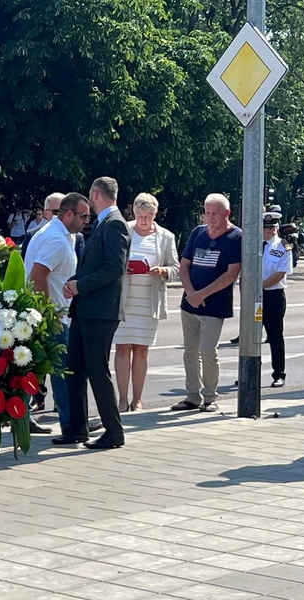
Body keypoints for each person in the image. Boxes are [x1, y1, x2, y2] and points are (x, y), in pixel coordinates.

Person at [56, 177, 130, 449]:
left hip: (100, 311)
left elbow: (114, 268)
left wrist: (80, 285)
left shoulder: (115, 225)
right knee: (73, 368)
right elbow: (95, 266)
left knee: (97, 370)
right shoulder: (104, 224)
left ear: (96, 194)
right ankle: (77, 428)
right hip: (86, 309)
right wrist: (75, 281)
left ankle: (114, 431)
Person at [170, 194, 242, 413]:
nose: (210, 218)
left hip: (214, 306)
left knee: (208, 351)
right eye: (207, 212)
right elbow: (184, 265)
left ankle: (210, 397)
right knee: (189, 351)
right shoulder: (197, 233)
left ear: (227, 214)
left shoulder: (236, 237)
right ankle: (192, 396)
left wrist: (202, 294)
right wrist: (191, 293)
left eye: (215, 213)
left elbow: (231, 274)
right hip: (189, 304)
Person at [26, 192, 87, 440]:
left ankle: (23, 417)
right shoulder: (57, 240)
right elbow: (37, 276)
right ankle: (71, 424)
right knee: (61, 373)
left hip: (51, 314)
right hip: (54, 317)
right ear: (68, 213)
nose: (86, 221)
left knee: (39, 369)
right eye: (83, 216)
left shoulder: (59, 234)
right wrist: (48, 313)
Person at [112, 193, 179, 411]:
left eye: (148, 217)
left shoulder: (166, 236)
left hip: (148, 301)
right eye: (140, 216)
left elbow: (175, 267)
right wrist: (124, 267)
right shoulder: (124, 229)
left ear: (155, 214)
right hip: (125, 298)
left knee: (141, 350)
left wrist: (163, 271)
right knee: (122, 348)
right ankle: (122, 399)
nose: (143, 221)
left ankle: (137, 399)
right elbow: (112, 260)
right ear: (134, 213)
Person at [262, 212, 292, 387]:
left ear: (277, 228)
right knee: (251, 336)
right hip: (254, 297)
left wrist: (260, 287)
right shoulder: (253, 245)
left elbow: (281, 273)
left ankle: (279, 374)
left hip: (273, 295)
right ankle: (250, 371)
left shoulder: (283, 246)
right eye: (265, 227)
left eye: (272, 227)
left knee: (275, 335)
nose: (268, 230)